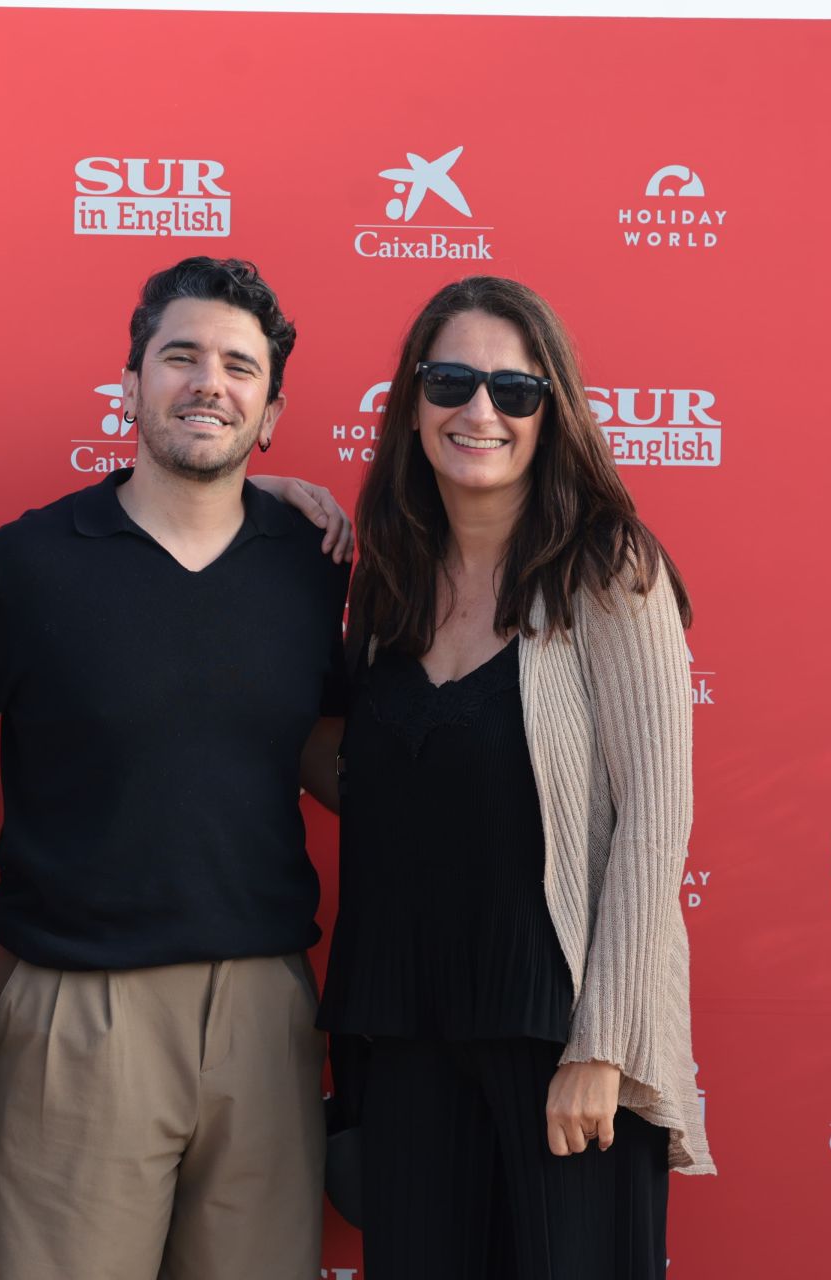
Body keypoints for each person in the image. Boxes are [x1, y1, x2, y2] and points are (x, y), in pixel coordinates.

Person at [0, 257, 350, 1280]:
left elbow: (328, 754)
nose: (208, 381)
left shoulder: (314, 567)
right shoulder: (29, 562)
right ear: (130, 385)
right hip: (80, 1005)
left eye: (238, 367)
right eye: (181, 356)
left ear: (271, 409)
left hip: (267, 1007)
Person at [315, 276, 714, 1279]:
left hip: (560, 1037)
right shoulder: (391, 584)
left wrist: (603, 1046)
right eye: (450, 380)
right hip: (401, 1034)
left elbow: (655, 823)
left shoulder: (608, 571)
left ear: (553, 411)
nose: (479, 410)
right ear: (413, 399)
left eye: (514, 389)